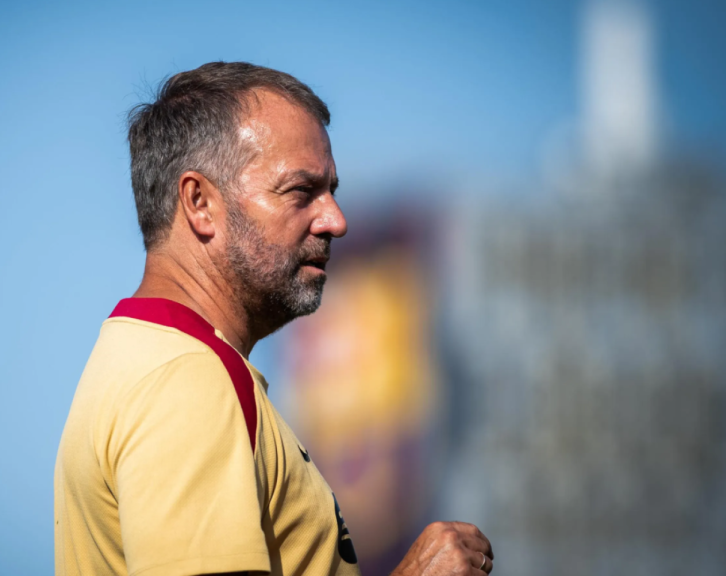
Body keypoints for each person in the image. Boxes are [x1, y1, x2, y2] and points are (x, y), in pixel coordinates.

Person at [54, 61, 494, 576]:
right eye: (300, 192)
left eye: (331, 190)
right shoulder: (186, 380)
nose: (336, 220)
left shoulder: (148, 358)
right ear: (199, 203)